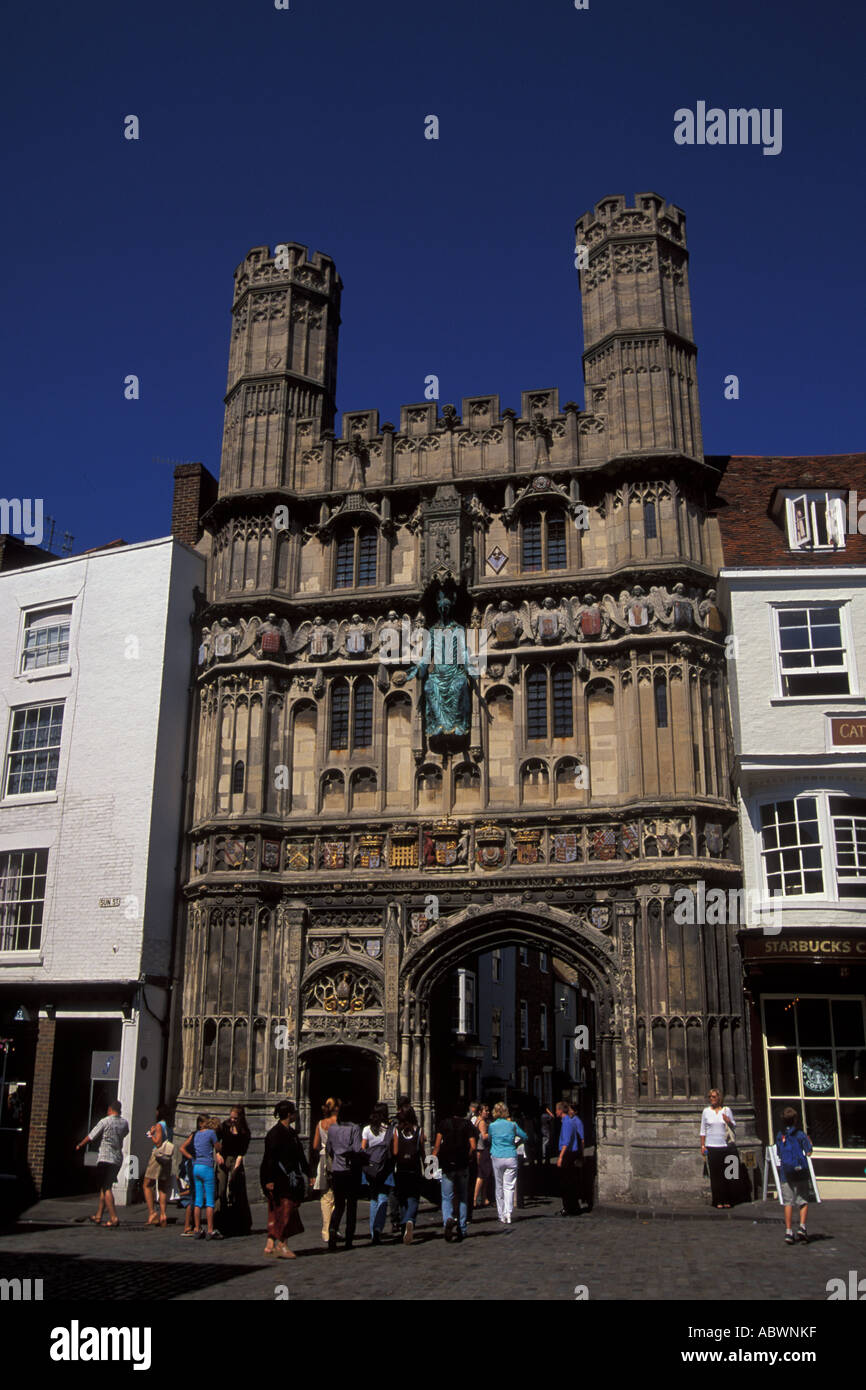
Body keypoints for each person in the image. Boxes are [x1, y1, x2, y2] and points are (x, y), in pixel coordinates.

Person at [261, 1100, 308, 1259]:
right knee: (284, 1211)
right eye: (294, 1112)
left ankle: (272, 1243)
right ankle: (282, 1244)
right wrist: (269, 1180)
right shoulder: (275, 1134)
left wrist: (308, 1172)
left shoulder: (292, 1133)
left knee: (282, 1210)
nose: (295, 1115)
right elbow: (269, 1159)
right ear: (289, 1114)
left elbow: (300, 1155)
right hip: (279, 1178)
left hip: (290, 1178)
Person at [75, 1099, 129, 1228]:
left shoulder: (105, 1121)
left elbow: (91, 1136)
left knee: (106, 1188)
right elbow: (125, 1133)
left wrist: (80, 1145)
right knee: (104, 1186)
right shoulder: (124, 1123)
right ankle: (99, 1215)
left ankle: (114, 1218)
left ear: (110, 1109)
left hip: (105, 1158)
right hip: (117, 1159)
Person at [434, 1101, 476, 1241]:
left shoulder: (444, 1124)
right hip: (462, 1164)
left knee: (447, 1197)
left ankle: (448, 1219)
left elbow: (437, 1145)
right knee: (463, 1196)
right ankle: (462, 1228)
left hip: (447, 1165)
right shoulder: (467, 1125)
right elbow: (473, 1146)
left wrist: (432, 1161)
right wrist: (468, 1157)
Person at [326, 1101, 363, 1251]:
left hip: (337, 1170)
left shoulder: (332, 1128)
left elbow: (329, 1149)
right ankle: (349, 1240)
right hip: (351, 1171)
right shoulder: (355, 1128)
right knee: (352, 1205)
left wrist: (337, 1156)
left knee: (339, 1204)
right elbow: (357, 1149)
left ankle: (333, 1229)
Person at [181, 1113, 224, 1240]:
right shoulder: (211, 1133)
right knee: (210, 1201)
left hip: (196, 1167)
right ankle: (210, 1230)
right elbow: (218, 1147)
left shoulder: (196, 1134)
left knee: (198, 1201)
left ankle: (197, 1228)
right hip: (207, 1167)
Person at [775, 1106, 813, 1244]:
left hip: (786, 1173)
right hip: (800, 1171)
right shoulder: (800, 1134)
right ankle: (802, 1226)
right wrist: (810, 1144)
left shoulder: (780, 1135)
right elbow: (808, 1152)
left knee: (788, 1203)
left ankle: (788, 1231)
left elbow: (779, 1153)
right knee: (803, 1200)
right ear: (795, 1119)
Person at [488, 1102, 527, 1226]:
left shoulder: (492, 1126)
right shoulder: (513, 1125)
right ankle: (508, 1213)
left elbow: (489, 1139)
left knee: (499, 1186)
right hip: (511, 1155)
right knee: (509, 1186)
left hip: (497, 1155)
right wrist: (515, 1143)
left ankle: (501, 1214)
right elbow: (525, 1136)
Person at [392, 1102, 425, 1244]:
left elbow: (395, 1152)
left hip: (401, 1169)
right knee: (413, 1198)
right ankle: (410, 1220)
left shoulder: (397, 1131)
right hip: (414, 1169)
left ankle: (403, 1225)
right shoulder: (419, 1130)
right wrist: (426, 1167)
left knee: (402, 1198)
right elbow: (422, 1151)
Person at [216, 1105, 252, 1236]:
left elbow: (243, 1150)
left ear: (240, 1117)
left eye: (235, 1118)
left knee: (237, 1189)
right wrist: (217, 1154)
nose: (232, 1120)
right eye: (231, 1117)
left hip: (236, 1159)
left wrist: (238, 1163)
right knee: (221, 1189)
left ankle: (239, 1223)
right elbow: (216, 1140)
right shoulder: (224, 1126)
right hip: (224, 1158)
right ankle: (219, 1222)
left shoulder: (244, 1131)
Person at [361, 1102, 394, 1244]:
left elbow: (363, 1148)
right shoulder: (390, 1130)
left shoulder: (367, 1129)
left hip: (371, 1168)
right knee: (383, 1197)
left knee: (373, 1198)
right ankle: (378, 1228)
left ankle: (373, 1231)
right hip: (385, 1167)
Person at [700, 1088, 737, 1209]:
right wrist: (702, 1145)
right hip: (712, 1146)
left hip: (725, 1146)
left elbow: (734, 1125)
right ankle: (717, 1200)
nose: (711, 1099)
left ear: (719, 1098)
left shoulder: (726, 1110)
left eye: (714, 1097)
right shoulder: (706, 1111)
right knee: (715, 1175)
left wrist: (728, 1120)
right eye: (710, 1097)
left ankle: (727, 1199)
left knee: (727, 1174)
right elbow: (703, 1130)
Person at [311, 1097, 340, 1244]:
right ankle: (333, 1228)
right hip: (336, 1160)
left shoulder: (321, 1124)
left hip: (323, 1159)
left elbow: (315, 1145)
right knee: (336, 1195)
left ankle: (326, 1230)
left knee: (325, 1196)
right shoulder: (338, 1124)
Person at [143, 1105, 174, 1227]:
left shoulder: (159, 1125)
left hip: (158, 1157)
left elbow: (158, 1142)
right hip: (167, 1158)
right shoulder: (169, 1126)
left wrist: (152, 1134)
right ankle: (163, 1214)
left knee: (147, 1184)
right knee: (162, 1186)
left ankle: (152, 1213)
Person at [556, 1100, 584, 1216]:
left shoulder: (567, 1122)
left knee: (566, 1182)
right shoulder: (568, 1121)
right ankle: (572, 1207)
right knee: (570, 1181)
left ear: (560, 1110)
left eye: (557, 1109)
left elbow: (566, 1142)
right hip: (570, 1153)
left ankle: (568, 1208)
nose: (555, 1112)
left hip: (567, 1154)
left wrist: (560, 1157)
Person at [473, 1103, 493, 1210]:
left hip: (480, 1149)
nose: (488, 1112)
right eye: (486, 1110)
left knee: (484, 1174)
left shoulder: (477, 1120)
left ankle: (484, 1198)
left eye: (488, 1110)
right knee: (481, 1174)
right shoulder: (482, 1122)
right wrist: (493, 1133)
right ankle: (475, 1199)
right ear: (480, 1112)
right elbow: (484, 1136)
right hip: (482, 1150)